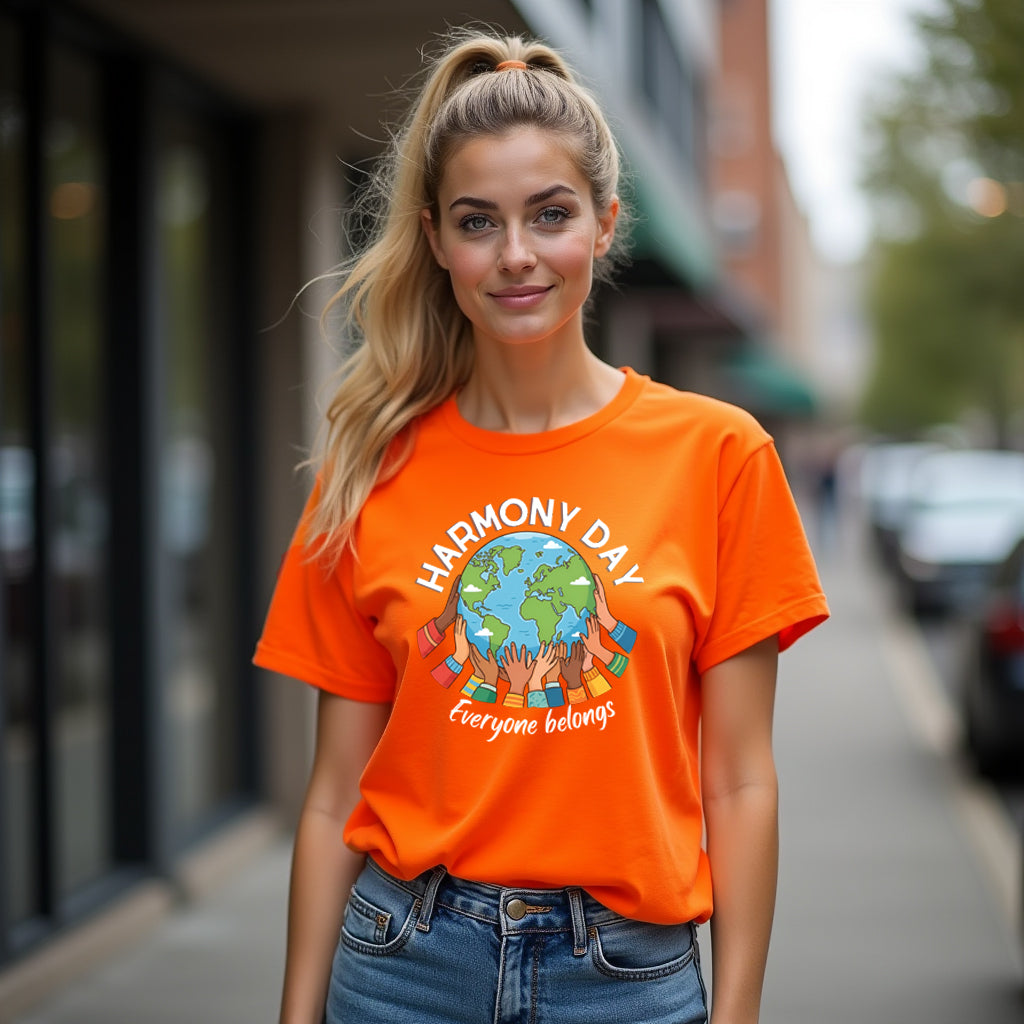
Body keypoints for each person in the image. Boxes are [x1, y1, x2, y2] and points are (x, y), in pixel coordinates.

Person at [254, 29, 829, 1024]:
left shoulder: (718, 454)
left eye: (549, 215)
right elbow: (330, 790)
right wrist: (296, 1014)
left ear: (605, 225)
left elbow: (739, 781)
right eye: (479, 222)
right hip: (401, 966)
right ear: (435, 240)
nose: (515, 254)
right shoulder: (367, 467)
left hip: (626, 978)